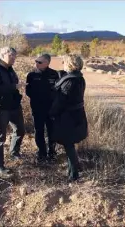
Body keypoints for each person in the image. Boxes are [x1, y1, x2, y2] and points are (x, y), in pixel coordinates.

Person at [0, 47, 26, 174]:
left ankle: (14, 153)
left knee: (20, 130)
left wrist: (16, 90)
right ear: (3, 55)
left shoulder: (10, 69)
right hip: (0, 107)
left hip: (14, 106)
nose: (14, 58)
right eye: (11, 55)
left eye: (15, 56)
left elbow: (13, 86)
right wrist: (13, 87)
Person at [49, 54, 88, 182]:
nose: (63, 64)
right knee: (70, 145)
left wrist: (51, 113)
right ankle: (73, 170)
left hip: (68, 119)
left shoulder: (70, 81)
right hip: (77, 116)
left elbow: (61, 102)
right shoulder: (79, 78)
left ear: (70, 64)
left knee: (68, 145)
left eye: (64, 62)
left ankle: (74, 175)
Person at [25, 53, 59, 164]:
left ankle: (52, 152)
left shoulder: (54, 74)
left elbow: (58, 91)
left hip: (51, 109)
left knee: (52, 131)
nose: (36, 63)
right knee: (39, 131)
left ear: (47, 63)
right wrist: (37, 98)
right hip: (37, 109)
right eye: (36, 61)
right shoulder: (31, 75)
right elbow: (28, 91)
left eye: (39, 62)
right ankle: (41, 153)